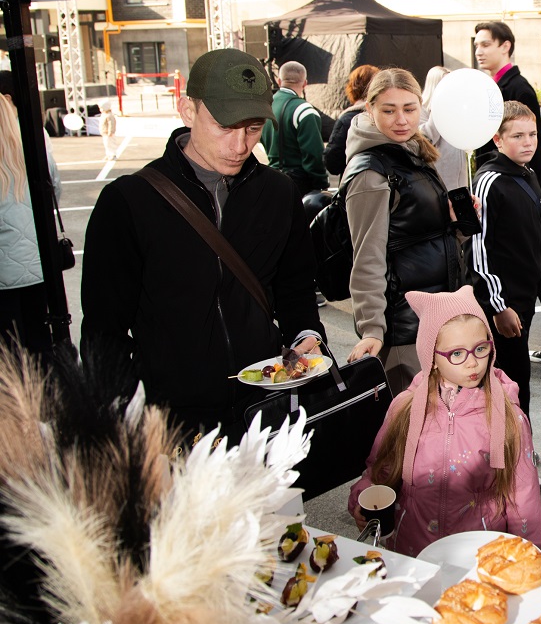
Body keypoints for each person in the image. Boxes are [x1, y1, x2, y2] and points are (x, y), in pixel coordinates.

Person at [81, 48, 325, 437]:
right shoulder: (129, 201)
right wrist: (128, 416)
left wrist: (307, 337)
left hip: (267, 405)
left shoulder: (279, 192)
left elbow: (295, 289)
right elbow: (103, 332)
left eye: (252, 128)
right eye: (225, 126)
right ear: (188, 110)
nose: (240, 145)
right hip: (172, 420)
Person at [347, 286, 541, 557]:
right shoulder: (405, 408)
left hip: (479, 556)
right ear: (433, 358)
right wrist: (362, 496)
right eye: (457, 354)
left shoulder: (507, 416)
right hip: (412, 553)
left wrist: (529, 559)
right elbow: (378, 472)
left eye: (481, 348)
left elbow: (524, 502)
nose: (473, 363)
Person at [342, 67, 466, 394]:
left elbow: (421, 234)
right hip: (403, 330)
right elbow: (367, 257)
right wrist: (372, 330)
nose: (401, 119)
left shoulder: (413, 153)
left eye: (409, 109)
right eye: (389, 110)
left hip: (436, 315)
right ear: (369, 110)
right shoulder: (370, 172)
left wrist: (451, 218)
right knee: (412, 435)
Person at [472, 20, 541, 366]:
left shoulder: (515, 88)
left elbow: (525, 148)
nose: (479, 50)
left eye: (486, 44)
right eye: (476, 44)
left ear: (506, 46)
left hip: (527, 193)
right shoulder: (500, 85)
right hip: (522, 192)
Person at [469, 101, 541, 417]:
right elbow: (478, 247)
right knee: (504, 381)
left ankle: (519, 447)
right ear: (497, 140)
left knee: (519, 379)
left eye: (532, 134)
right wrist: (498, 307)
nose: (527, 142)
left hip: (524, 298)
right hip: (502, 302)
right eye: (517, 136)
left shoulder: (528, 174)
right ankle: (505, 454)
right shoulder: (489, 182)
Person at [0, 75, 62, 360]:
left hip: (4, 277)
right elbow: (54, 190)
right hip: (39, 266)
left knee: (10, 353)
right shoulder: (35, 142)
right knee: (42, 343)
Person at [263, 60, 328, 195]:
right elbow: (314, 154)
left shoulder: (266, 108)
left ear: (279, 81)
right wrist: (321, 184)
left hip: (271, 179)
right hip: (298, 184)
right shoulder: (304, 110)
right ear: (305, 83)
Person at [418, 65, 469, 191]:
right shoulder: (421, 110)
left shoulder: (454, 109)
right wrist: (438, 110)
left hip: (458, 176)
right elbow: (427, 138)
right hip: (438, 176)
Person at [324, 63, 379, 177]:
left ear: (353, 86)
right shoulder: (386, 117)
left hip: (353, 182)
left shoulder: (347, 119)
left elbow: (332, 162)